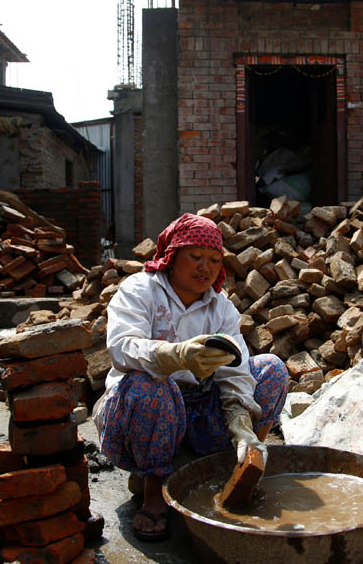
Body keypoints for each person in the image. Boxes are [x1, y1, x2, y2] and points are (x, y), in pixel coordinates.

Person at [92, 213, 289, 542]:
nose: (206, 268)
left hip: (198, 412)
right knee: (149, 383)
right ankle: (152, 490)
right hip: (143, 410)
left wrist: (241, 421)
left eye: (214, 260)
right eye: (195, 257)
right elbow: (121, 348)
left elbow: (235, 367)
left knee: (271, 369)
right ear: (172, 257)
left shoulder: (220, 307)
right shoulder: (140, 290)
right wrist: (174, 355)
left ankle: (245, 464)